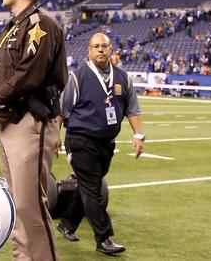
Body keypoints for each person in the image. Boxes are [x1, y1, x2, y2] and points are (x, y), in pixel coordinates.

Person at [0, 0, 68, 261]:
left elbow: (28, 74)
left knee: (30, 206)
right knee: (17, 205)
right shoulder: (17, 25)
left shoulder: (40, 24)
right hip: (11, 122)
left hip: (31, 121)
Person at [56, 32, 145, 255]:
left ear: (111, 49)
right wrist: (53, 137)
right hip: (80, 140)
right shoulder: (77, 77)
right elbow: (62, 111)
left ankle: (66, 223)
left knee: (87, 185)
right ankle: (103, 238)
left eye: (104, 46)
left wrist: (138, 135)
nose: (100, 50)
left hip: (106, 143)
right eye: (96, 46)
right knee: (92, 187)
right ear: (89, 51)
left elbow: (133, 109)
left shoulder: (123, 78)